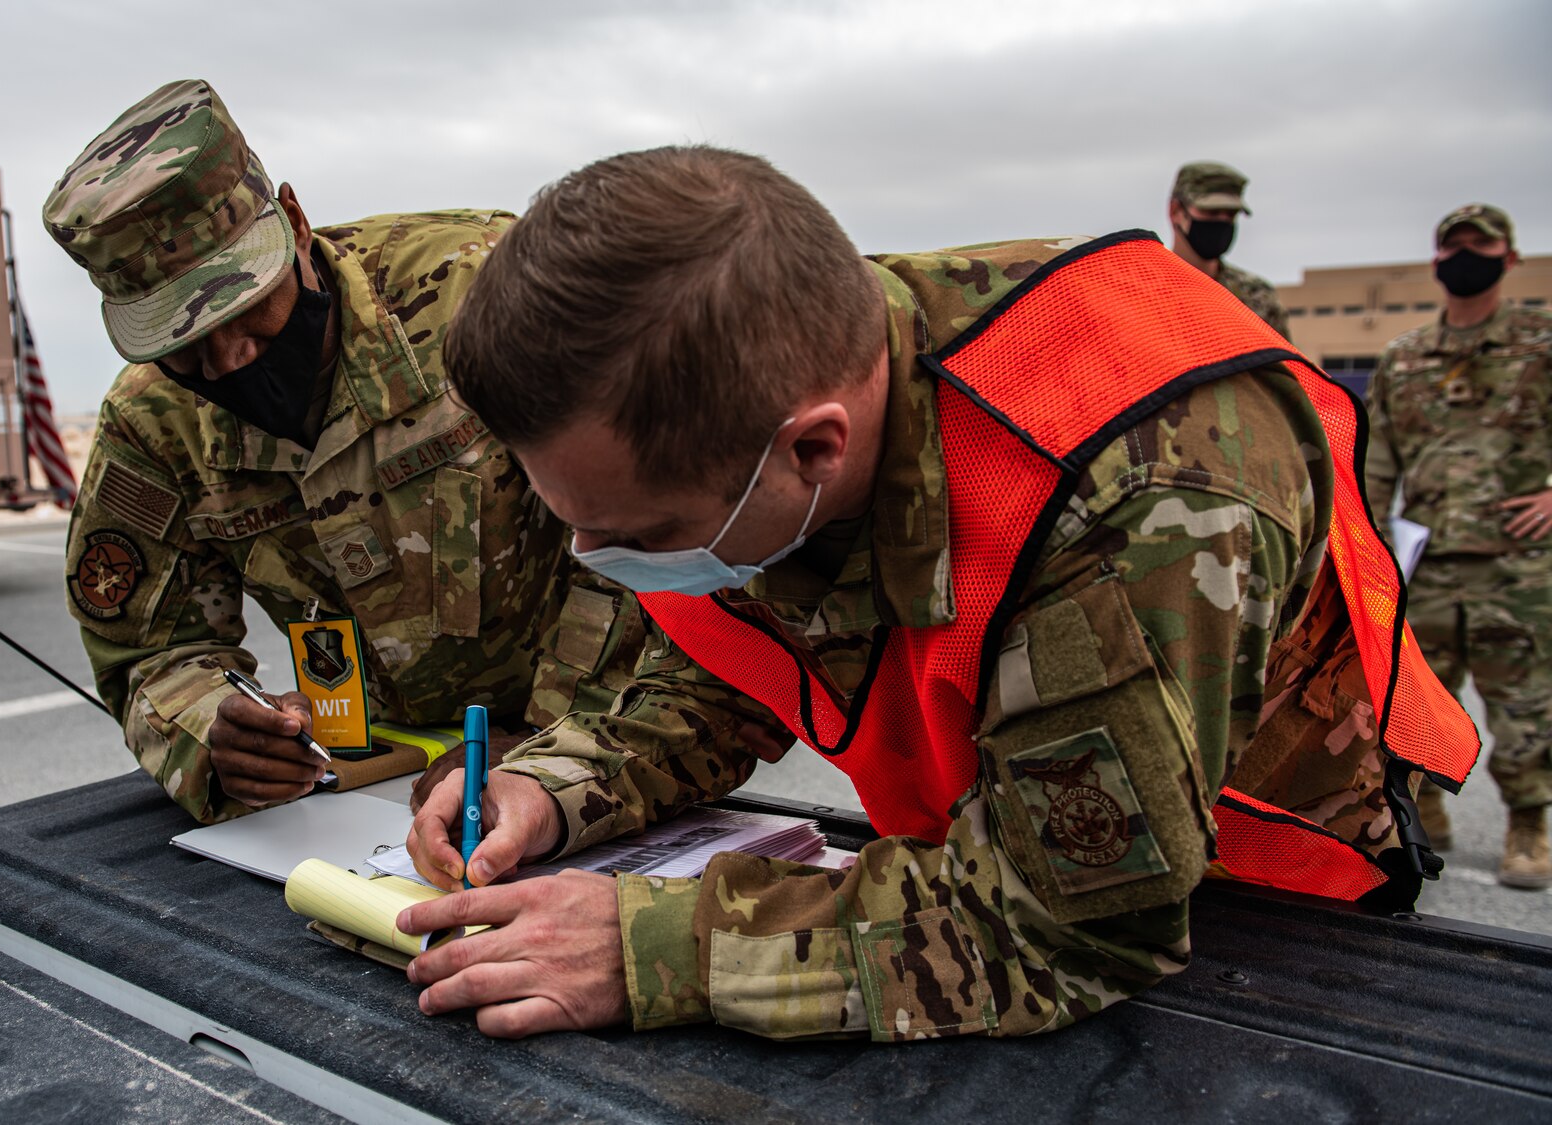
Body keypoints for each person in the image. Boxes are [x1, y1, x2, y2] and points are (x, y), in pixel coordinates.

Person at [394, 145, 1474, 1041]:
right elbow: (727, 657)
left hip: (1264, 928)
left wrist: (649, 947)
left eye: (640, 535)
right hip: (976, 864)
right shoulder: (758, 376)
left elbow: (1065, 931)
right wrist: (558, 788)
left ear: (813, 446)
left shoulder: (1137, 496)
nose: (594, 556)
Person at [42, 80, 654, 824]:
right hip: (377, 794)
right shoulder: (153, 422)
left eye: (245, 307)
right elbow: (146, 650)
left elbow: (643, 535)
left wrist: (548, 742)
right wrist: (211, 726)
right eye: (186, 345)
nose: (231, 359)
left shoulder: (484, 287)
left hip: (597, 735)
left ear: (294, 223)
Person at [1365, 203, 1552, 889]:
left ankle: (1529, 823)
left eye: (1483, 244)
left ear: (1509, 256)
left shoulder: (1541, 345)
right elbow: (1378, 459)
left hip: (1518, 565)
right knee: (1413, 698)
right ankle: (1425, 809)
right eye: (1457, 246)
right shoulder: (1404, 358)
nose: (1468, 254)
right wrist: (1372, 548)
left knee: (1526, 704)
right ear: (1438, 261)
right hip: (1427, 559)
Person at [1167, 161, 1289, 338]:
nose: (1222, 222)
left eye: (1231, 215)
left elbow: (1285, 364)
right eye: (1212, 212)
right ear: (1176, 212)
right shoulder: (1144, 291)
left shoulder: (1256, 295)